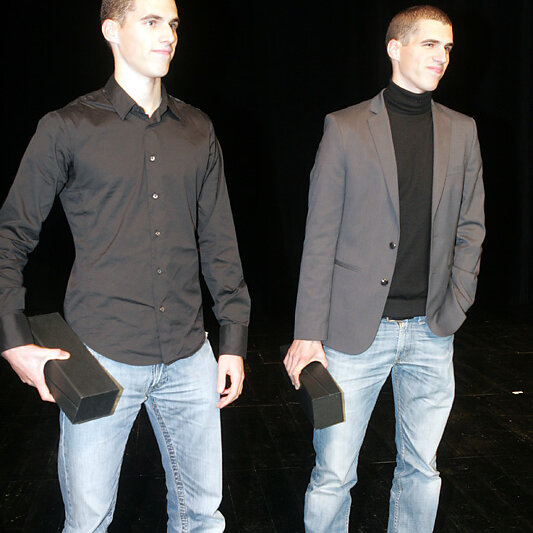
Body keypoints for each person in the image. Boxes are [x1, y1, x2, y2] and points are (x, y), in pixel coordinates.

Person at [0, 0, 250, 531]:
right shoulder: (67, 126)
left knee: (202, 518)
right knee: (89, 523)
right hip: (100, 355)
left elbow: (220, 242)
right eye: (151, 22)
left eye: (173, 24)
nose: (169, 36)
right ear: (111, 30)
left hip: (190, 357)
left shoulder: (197, 129)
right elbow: (10, 235)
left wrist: (232, 340)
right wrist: (12, 339)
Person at [284, 5, 485, 532]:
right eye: (429, 44)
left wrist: (457, 302)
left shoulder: (462, 130)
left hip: (432, 331)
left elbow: (471, 227)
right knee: (333, 473)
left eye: (447, 48)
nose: (441, 57)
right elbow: (319, 237)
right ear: (395, 48)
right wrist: (308, 331)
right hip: (355, 335)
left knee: (423, 470)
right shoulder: (345, 127)